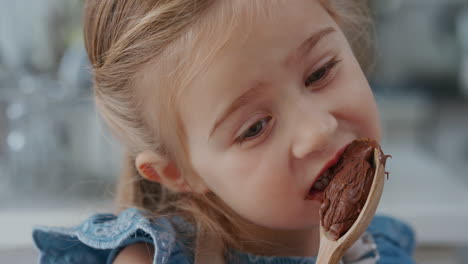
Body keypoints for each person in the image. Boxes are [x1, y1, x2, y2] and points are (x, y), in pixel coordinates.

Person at [32, 0, 416, 263]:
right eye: (254, 128)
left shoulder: (384, 246)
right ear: (179, 172)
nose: (317, 129)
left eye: (319, 73)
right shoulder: (150, 258)